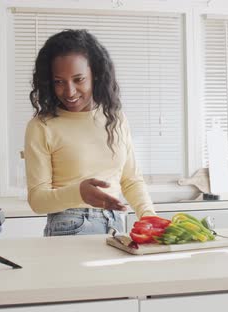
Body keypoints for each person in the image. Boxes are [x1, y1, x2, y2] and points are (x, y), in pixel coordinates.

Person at [24, 29, 156, 236]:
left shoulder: (116, 119)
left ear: (95, 75)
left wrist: (149, 216)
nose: (69, 91)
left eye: (79, 79)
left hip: (116, 226)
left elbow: (130, 180)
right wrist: (78, 193)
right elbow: (37, 200)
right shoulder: (42, 126)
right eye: (59, 81)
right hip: (67, 226)